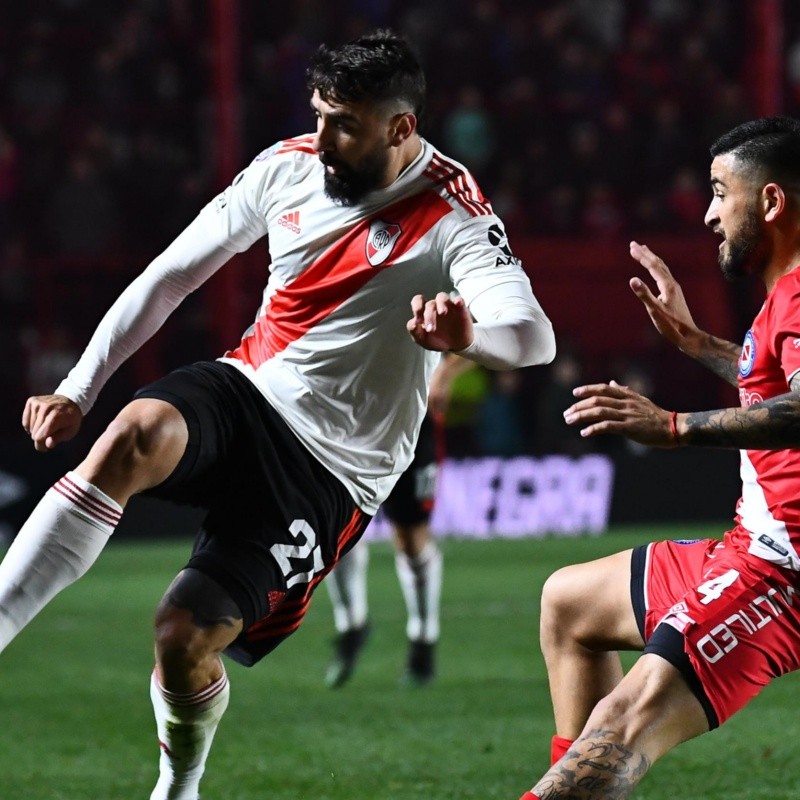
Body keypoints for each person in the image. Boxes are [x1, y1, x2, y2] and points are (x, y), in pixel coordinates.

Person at [0, 29, 557, 800]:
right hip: (249, 388)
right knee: (130, 435)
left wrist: (472, 335)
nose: (323, 140)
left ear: (401, 129)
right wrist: (78, 388)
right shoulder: (287, 166)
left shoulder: (453, 214)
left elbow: (534, 338)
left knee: (183, 638)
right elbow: (171, 275)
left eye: (345, 125)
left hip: (334, 469)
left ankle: (178, 785)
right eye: (320, 115)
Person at [518, 115, 800, 800]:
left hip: (781, 573)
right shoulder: (784, 296)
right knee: (570, 605)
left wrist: (670, 425)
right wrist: (696, 342)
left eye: (718, 192)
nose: (707, 213)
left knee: (614, 729)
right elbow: (775, 381)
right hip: (751, 546)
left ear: (770, 203)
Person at [324, 352, 474, 688]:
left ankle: (423, 637)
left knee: (410, 539)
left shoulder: (431, 295)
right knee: (335, 527)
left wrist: (446, 371)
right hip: (347, 415)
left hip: (412, 414)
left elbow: (491, 322)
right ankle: (351, 626)